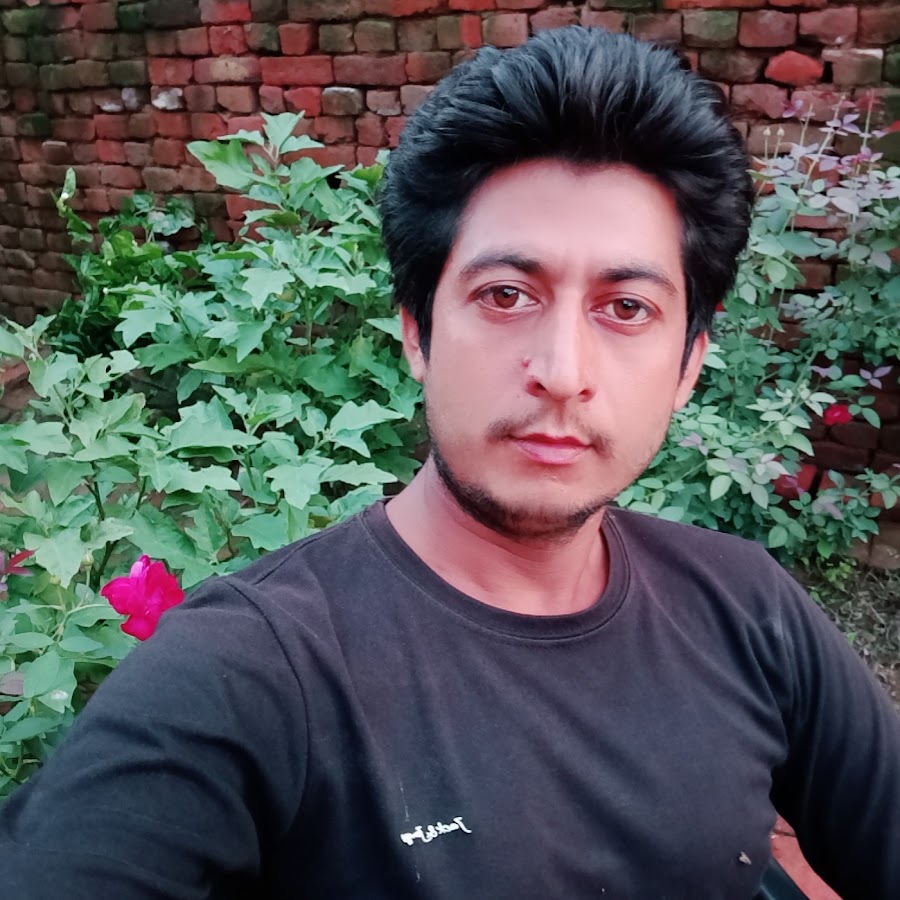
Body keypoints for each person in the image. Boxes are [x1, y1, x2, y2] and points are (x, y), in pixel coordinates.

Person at [2, 26, 899, 899]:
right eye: (506, 295)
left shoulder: (746, 609)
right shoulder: (250, 677)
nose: (563, 372)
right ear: (417, 332)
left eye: (626, 308)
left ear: (689, 364)